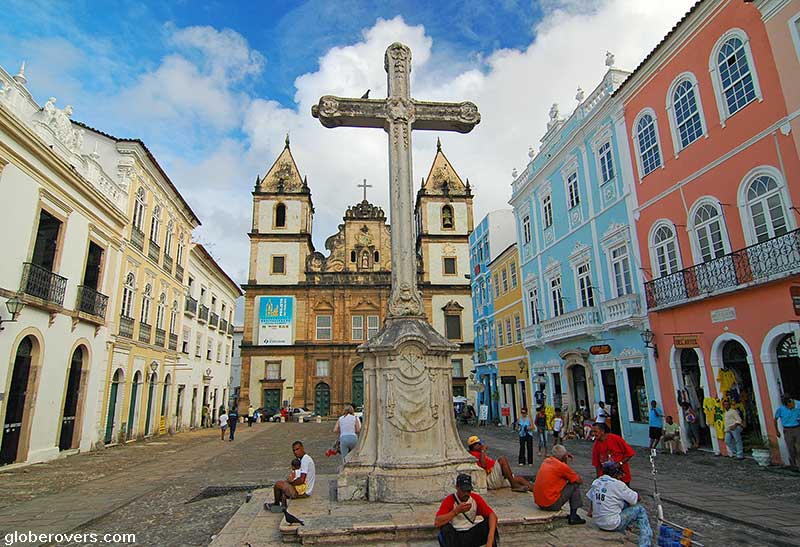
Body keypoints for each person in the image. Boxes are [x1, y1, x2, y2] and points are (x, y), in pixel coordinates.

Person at [586, 462, 653, 547]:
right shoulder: (618, 484)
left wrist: (590, 512)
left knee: (619, 502)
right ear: (617, 474)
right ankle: (645, 544)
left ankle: (624, 530)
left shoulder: (596, 482)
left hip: (599, 522)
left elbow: (592, 498)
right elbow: (635, 499)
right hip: (611, 524)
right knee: (640, 510)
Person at [434, 474, 498, 547]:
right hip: (455, 535)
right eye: (463, 491)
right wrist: (455, 512)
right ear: (457, 487)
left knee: (489, 524)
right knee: (445, 528)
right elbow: (437, 522)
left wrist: (490, 539)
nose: (466, 493)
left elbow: (492, 515)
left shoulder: (475, 498)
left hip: (471, 533)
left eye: (468, 491)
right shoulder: (450, 500)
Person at [533, 444, 585, 525]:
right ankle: (573, 515)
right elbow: (579, 480)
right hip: (550, 504)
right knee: (574, 484)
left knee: (569, 480)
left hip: (539, 503)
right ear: (564, 456)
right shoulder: (562, 466)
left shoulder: (546, 461)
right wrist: (565, 461)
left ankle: (573, 514)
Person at [467, 435, 533, 492]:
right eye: (479, 444)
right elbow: (483, 465)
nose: (481, 445)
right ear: (474, 446)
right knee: (502, 459)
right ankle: (514, 485)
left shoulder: (479, 453)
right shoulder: (473, 454)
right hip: (490, 479)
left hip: (497, 477)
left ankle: (536, 490)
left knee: (519, 479)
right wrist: (483, 450)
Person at [268, 441, 316, 510]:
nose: (295, 452)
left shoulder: (305, 460)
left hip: (303, 491)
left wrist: (290, 483)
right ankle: (282, 505)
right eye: (294, 450)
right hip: (302, 489)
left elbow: (301, 480)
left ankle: (276, 504)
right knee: (283, 486)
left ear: (302, 448)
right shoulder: (302, 459)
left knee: (278, 484)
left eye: (297, 449)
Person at [774, 395, 800, 468]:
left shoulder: (798, 404)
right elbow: (775, 419)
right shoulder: (781, 409)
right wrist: (777, 431)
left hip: (797, 428)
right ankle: (793, 464)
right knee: (791, 448)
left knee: (799, 447)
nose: (790, 407)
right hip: (787, 429)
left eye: (790, 406)